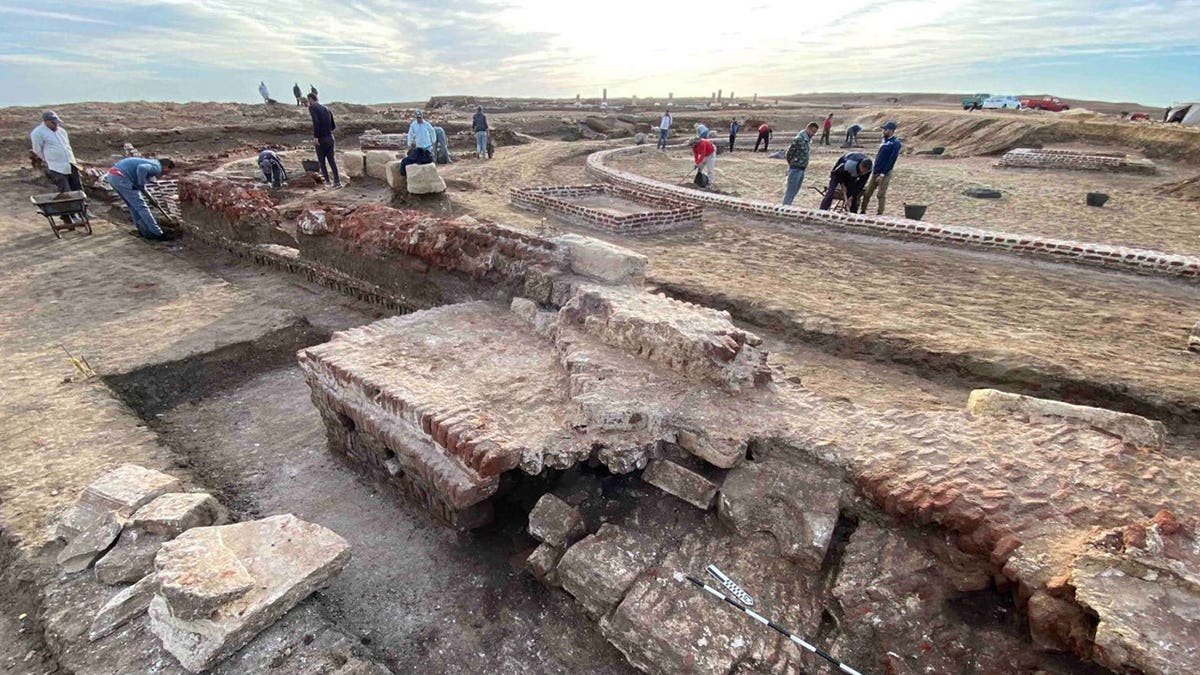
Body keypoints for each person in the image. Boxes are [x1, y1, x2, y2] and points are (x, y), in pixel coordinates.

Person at [107, 156, 175, 240]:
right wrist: (141, 184)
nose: (167, 173)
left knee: (133, 206)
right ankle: (157, 233)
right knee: (142, 207)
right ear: (166, 166)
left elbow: (143, 185)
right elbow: (142, 168)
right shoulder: (157, 167)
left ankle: (142, 230)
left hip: (113, 177)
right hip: (121, 177)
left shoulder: (152, 162)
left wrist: (151, 198)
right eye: (169, 170)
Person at [30, 111, 81, 195]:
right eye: (53, 123)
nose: (56, 125)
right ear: (46, 122)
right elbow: (37, 150)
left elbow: (66, 145)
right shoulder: (37, 133)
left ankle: (82, 206)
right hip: (56, 166)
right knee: (66, 191)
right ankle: (70, 207)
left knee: (78, 188)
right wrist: (49, 159)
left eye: (57, 123)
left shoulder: (62, 131)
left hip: (71, 163)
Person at [861, 121, 901, 215]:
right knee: (867, 193)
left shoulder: (895, 143)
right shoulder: (884, 140)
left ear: (891, 131)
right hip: (876, 170)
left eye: (885, 130)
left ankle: (880, 213)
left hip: (885, 172)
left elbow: (891, 160)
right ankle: (863, 210)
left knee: (881, 194)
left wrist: (883, 174)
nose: (883, 131)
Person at [307, 92, 341, 188]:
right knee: (331, 160)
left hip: (321, 139)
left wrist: (316, 136)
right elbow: (333, 126)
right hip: (330, 137)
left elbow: (316, 122)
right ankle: (337, 182)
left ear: (310, 99)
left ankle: (327, 182)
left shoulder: (312, 107)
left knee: (321, 161)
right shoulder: (326, 109)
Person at [782, 122, 819, 206]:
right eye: (812, 131)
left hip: (801, 169)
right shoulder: (799, 139)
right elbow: (789, 153)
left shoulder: (807, 141)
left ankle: (787, 206)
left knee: (795, 191)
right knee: (790, 192)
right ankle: (785, 208)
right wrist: (792, 164)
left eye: (815, 132)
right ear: (808, 129)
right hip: (795, 169)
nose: (813, 134)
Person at [400, 111, 436, 176]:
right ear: (416, 118)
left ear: (422, 117)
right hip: (419, 145)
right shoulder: (413, 125)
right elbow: (410, 134)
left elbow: (432, 131)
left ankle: (430, 173)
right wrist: (409, 143)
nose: (419, 119)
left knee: (429, 158)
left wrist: (433, 141)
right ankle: (421, 173)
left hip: (427, 144)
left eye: (420, 118)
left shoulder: (426, 124)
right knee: (420, 159)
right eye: (418, 118)